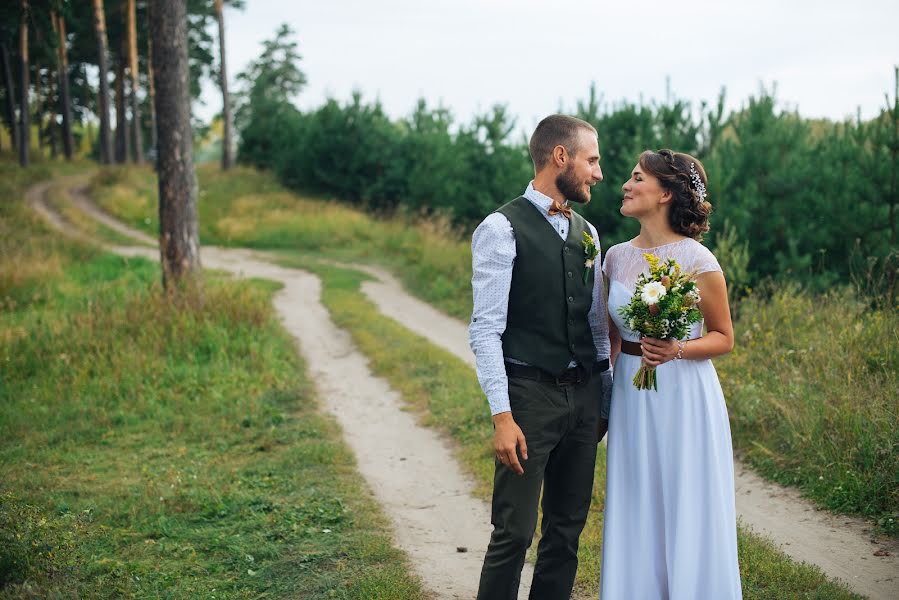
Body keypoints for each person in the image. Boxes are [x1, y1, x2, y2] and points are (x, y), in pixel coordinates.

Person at [469, 114, 612, 600]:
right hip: (528, 399)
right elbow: (485, 329)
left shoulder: (589, 234)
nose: (598, 172)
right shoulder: (501, 227)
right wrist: (502, 415)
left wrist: (604, 403)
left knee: (566, 532)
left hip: (583, 401)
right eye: (591, 160)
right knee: (513, 532)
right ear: (560, 157)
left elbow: (595, 330)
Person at [599, 149, 742, 599]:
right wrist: (602, 401)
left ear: (664, 193)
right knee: (635, 498)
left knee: (686, 500)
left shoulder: (699, 260)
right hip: (630, 391)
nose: (625, 184)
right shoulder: (615, 258)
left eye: (636, 177)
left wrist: (679, 348)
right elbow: (610, 338)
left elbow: (723, 336)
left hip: (684, 393)